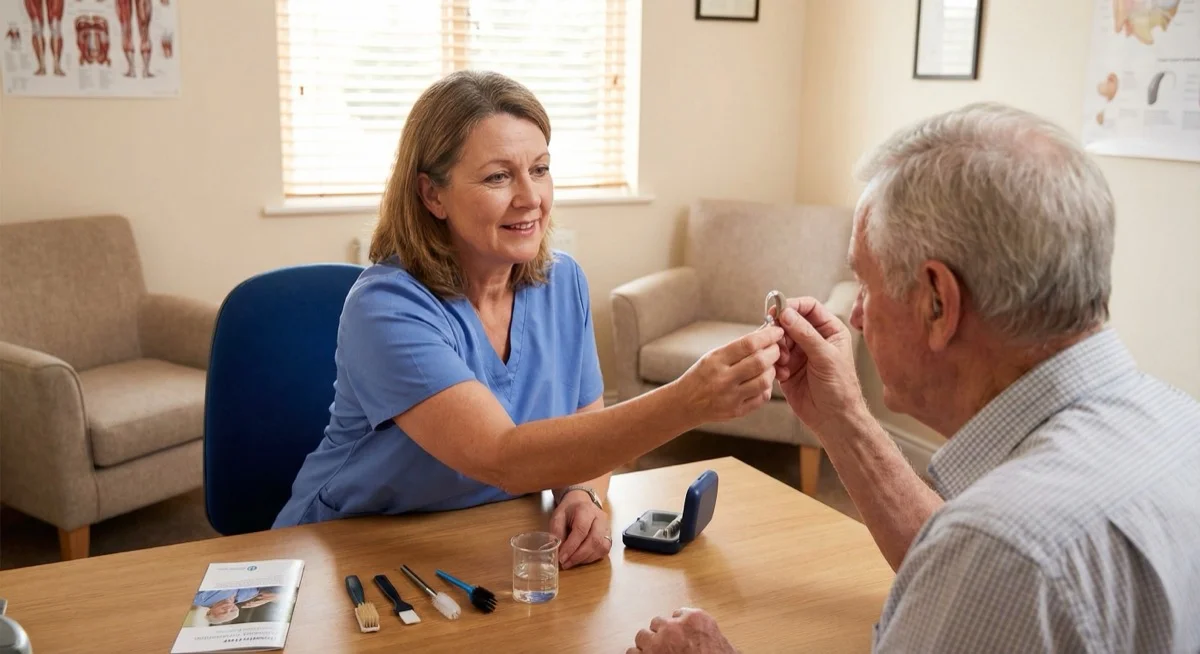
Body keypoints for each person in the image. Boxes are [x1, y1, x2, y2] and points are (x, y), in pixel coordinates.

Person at [629, 102, 1200, 652]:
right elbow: (958, 565)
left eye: (867, 284)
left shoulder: (1003, 550)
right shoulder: (1181, 425)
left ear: (936, 303)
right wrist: (841, 416)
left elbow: (989, 560)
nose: (856, 313)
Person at [273, 70, 783, 571]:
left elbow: (586, 424)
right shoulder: (386, 307)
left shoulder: (564, 284)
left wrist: (584, 492)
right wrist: (688, 400)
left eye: (540, 169)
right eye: (498, 176)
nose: (530, 197)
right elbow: (503, 458)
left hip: (490, 539)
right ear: (432, 195)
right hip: (350, 550)